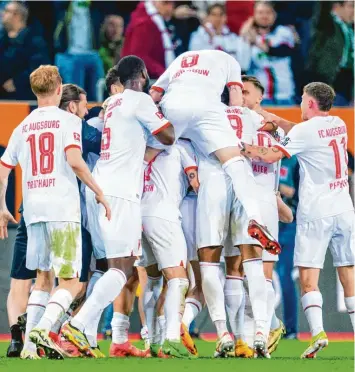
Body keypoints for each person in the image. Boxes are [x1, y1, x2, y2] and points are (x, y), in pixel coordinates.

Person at [61, 56, 175, 358]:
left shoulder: (111, 103)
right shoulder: (139, 99)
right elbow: (168, 135)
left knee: (109, 266)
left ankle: (84, 331)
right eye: (146, 76)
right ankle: (79, 323)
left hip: (100, 187)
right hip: (121, 192)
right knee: (123, 268)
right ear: (138, 76)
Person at [0, 65, 110, 360]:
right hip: (62, 209)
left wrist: (1, 207)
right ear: (60, 89)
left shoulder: (22, 126)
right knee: (70, 282)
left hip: (33, 211)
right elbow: (75, 160)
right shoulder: (68, 121)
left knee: (43, 278)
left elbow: (3, 169)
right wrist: (98, 191)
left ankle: (28, 348)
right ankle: (43, 329)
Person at [240, 82, 355, 359]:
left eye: (303, 100)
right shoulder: (338, 123)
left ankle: (317, 333)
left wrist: (243, 148)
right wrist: (279, 121)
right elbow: (306, 134)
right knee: (349, 278)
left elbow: (269, 156)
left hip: (316, 212)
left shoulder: (305, 131)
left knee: (308, 279)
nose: (301, 103)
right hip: (344, 210)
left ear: (311, 104)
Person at [150, 49, 280, 256]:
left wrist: (152, 120)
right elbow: (236, 100)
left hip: (174, 106)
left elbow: (155, 93)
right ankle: (255, 218)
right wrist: (234, 118)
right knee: (236, 163)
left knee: (148, 155)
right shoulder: (230, 60)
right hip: (208, 109)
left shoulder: (182, 58)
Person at [140, 139, 199, 358]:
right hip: (164, 214)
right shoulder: (180, 146)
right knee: (179, 280)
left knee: (153, 280)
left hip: (140, 213)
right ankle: (172, 339)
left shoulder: (142, 145)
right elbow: (195, 182)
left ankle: (153, 342)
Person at [240, 1, 296, 105]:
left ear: (274, 15)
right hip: (260, 97)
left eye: (268, 12)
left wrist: (256, 43)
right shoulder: (248, 37)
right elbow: (243, 65)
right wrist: (245, 39)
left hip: (284, 95)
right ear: (254, 15)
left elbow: (282, 51)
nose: (264, 16)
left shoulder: (283, 32)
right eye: (260, 12)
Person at [53, 1, 105, 101]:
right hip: (68, 54)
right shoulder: (62, 5)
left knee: (98, 95)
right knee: (75, 98)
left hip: (92, 53)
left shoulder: (94, 5)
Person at [306, 1, 354, 106]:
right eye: (351, 6)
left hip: (349, 79)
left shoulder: (350, 27)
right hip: (331, 79)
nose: (353, 11)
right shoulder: (327, 25)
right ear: (337, 7)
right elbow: (322, 12)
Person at [0, 1, 50, 100]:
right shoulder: (2, 39)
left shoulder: (34, 41)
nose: (2, 14)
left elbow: (40, 69)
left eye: (6, 11)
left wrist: (16, 82)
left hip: (23, 97)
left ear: (17, 16)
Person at [121, 1, 183, 79]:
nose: (170, 9)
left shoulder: (155, 20)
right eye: (165, 3)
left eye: (172, 4)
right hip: (143, 82)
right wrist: (165, 74)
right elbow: (139, 56)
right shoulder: (144, 23)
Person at [189, 3, 251, 72]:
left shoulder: (232, 37)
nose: (217, 18)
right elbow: (196, 62)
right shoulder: (198, 36)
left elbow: (243, 65)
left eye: (221, 15)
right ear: (208, 17)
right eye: (214, 15)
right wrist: (213, 38)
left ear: (225, 17)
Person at [277, 156, 299, 339]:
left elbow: (295, 191)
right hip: (265, 221)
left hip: (287, 224)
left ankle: (291, 328)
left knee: (285, 277)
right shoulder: (259, 157)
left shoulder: (293, 161)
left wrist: (274, 187)